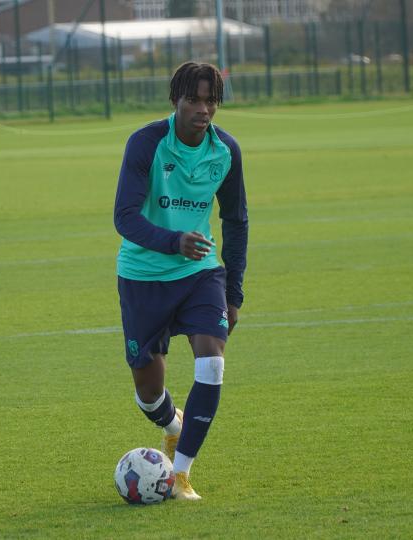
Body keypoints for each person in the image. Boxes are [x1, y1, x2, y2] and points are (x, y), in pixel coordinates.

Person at [113, 62, 248, 501]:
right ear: (176, 100)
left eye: (211, 100)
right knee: (149, 390)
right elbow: (125, 218)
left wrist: (234, 292)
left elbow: (236, 220)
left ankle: (182, 475)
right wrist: (173, 241)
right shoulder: (146, 143)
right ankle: (173, 426)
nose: (203, 108)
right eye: (194, 99)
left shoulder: (226, 151)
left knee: (212, 361)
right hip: (144, 276)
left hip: (199, 272)